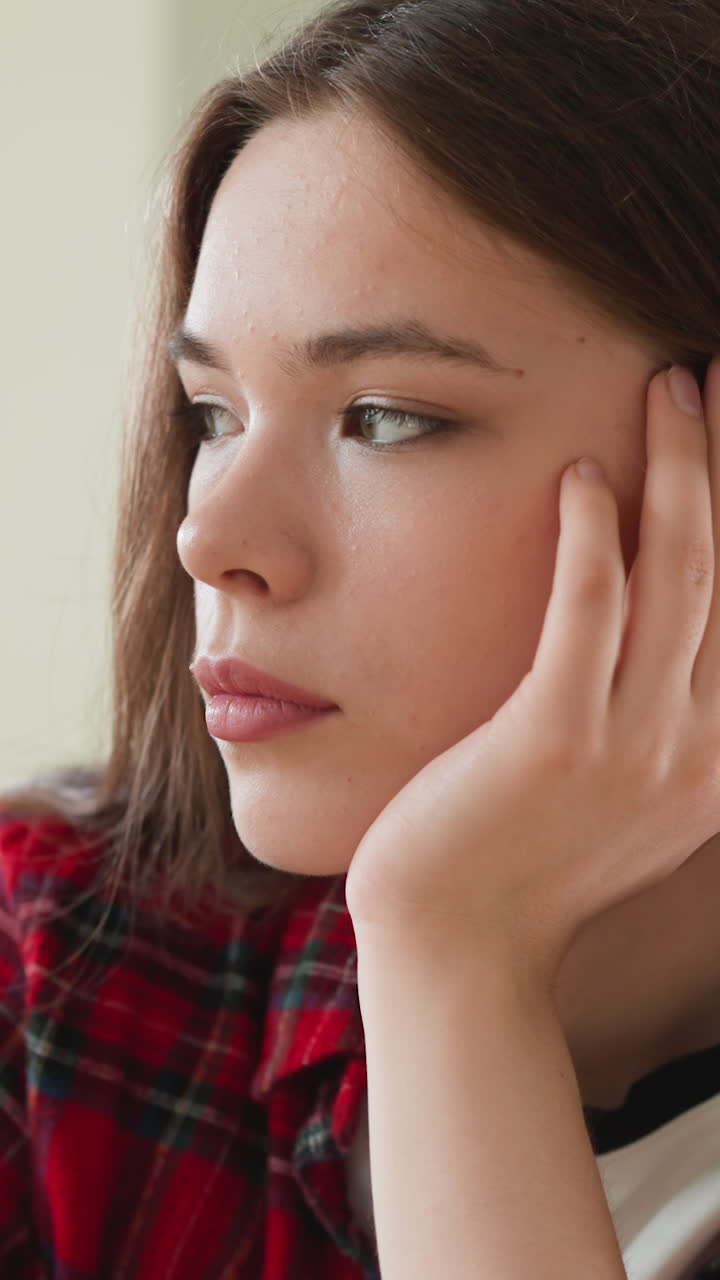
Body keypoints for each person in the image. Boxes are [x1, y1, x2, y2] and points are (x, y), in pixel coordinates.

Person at [2, 0, 720, 1275]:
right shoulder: (50, 978)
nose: (209, 538)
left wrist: (458, 956)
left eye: (385, 416)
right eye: (212, 413)